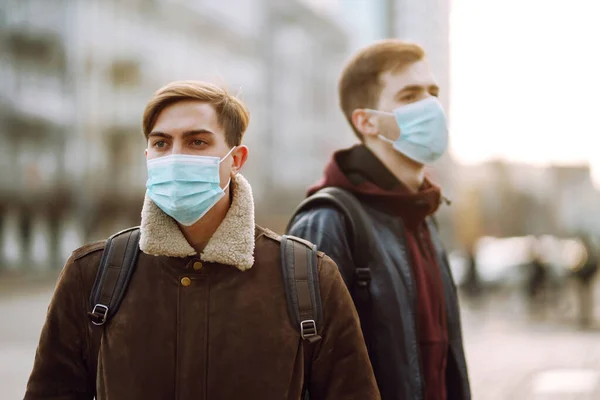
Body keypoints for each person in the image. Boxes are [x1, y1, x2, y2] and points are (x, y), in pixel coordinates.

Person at [24, 81, 380, 400]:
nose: (176, 156)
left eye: (197, 141)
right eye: (161, 143)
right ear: (148, 157)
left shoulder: (309, 277)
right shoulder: (94, 274)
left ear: (236, 159)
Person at [287, 40, 471, 400]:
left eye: (433, 92)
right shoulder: (327, 222)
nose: (432, 105)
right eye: (410, 95)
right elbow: (305, 376)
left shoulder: (424, 217)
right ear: (367, 120)